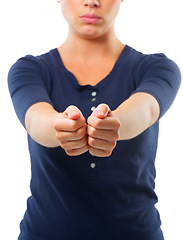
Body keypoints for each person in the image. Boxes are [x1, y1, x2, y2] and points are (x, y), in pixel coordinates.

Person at [8, 0, 181, 239]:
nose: (91, 2)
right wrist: (59, 127)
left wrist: (114, 123)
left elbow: (147, 109)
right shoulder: (29, 69)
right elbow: (35, 119)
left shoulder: (158, 68)